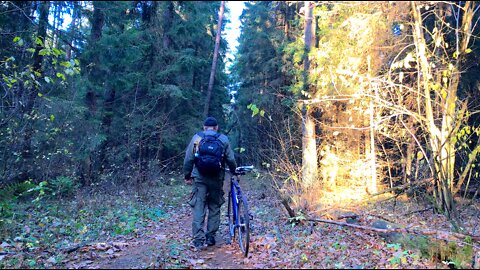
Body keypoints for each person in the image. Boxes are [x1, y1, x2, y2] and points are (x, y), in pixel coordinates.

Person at [183, 116, 237, 249]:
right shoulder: (223, 139)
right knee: (214, 205)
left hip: (199, 178)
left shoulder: (197, 138)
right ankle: (210, 236)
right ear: (216, 127)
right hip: (216, 177)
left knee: (199, 206)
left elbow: (189, 158)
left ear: (204, 127)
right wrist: (233, 171)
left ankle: (198, 239)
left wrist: (187, 175)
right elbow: (230, 158)